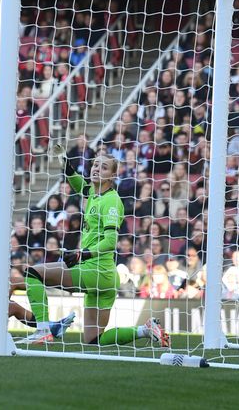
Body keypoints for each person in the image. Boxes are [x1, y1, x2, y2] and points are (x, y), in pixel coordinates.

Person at [25, 145, 169, 347]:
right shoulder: (94, 192)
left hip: (96, 269)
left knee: (33, 273)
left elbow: (111, 242)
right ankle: (145, 329)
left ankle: (42, 330)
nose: (96, 169)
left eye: (103, 167)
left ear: (112, 175)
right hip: (103, 277)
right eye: (95, 165)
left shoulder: (110, 201)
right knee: (94, 340)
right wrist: (64, 161)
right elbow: (79, 185)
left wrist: (82, 255)